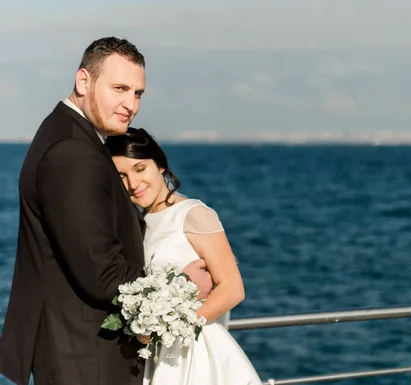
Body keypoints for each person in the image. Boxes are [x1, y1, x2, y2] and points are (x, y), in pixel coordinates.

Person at [0, 37, 212, 385]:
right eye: (119, 88)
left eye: (138, 93)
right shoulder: (72, 152)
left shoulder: (65, 135)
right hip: (84, 359)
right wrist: (183, 285)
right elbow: (101, 275)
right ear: (83, 81)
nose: (130, 104)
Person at [105, 127, 262, 385]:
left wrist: (165, 327)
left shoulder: (192, 213)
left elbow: (233, 289)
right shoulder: (140, 222)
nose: (133, 184)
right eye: (121, 176)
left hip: (197, 353)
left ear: (161, 167)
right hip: (160, 356)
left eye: (140, 169)